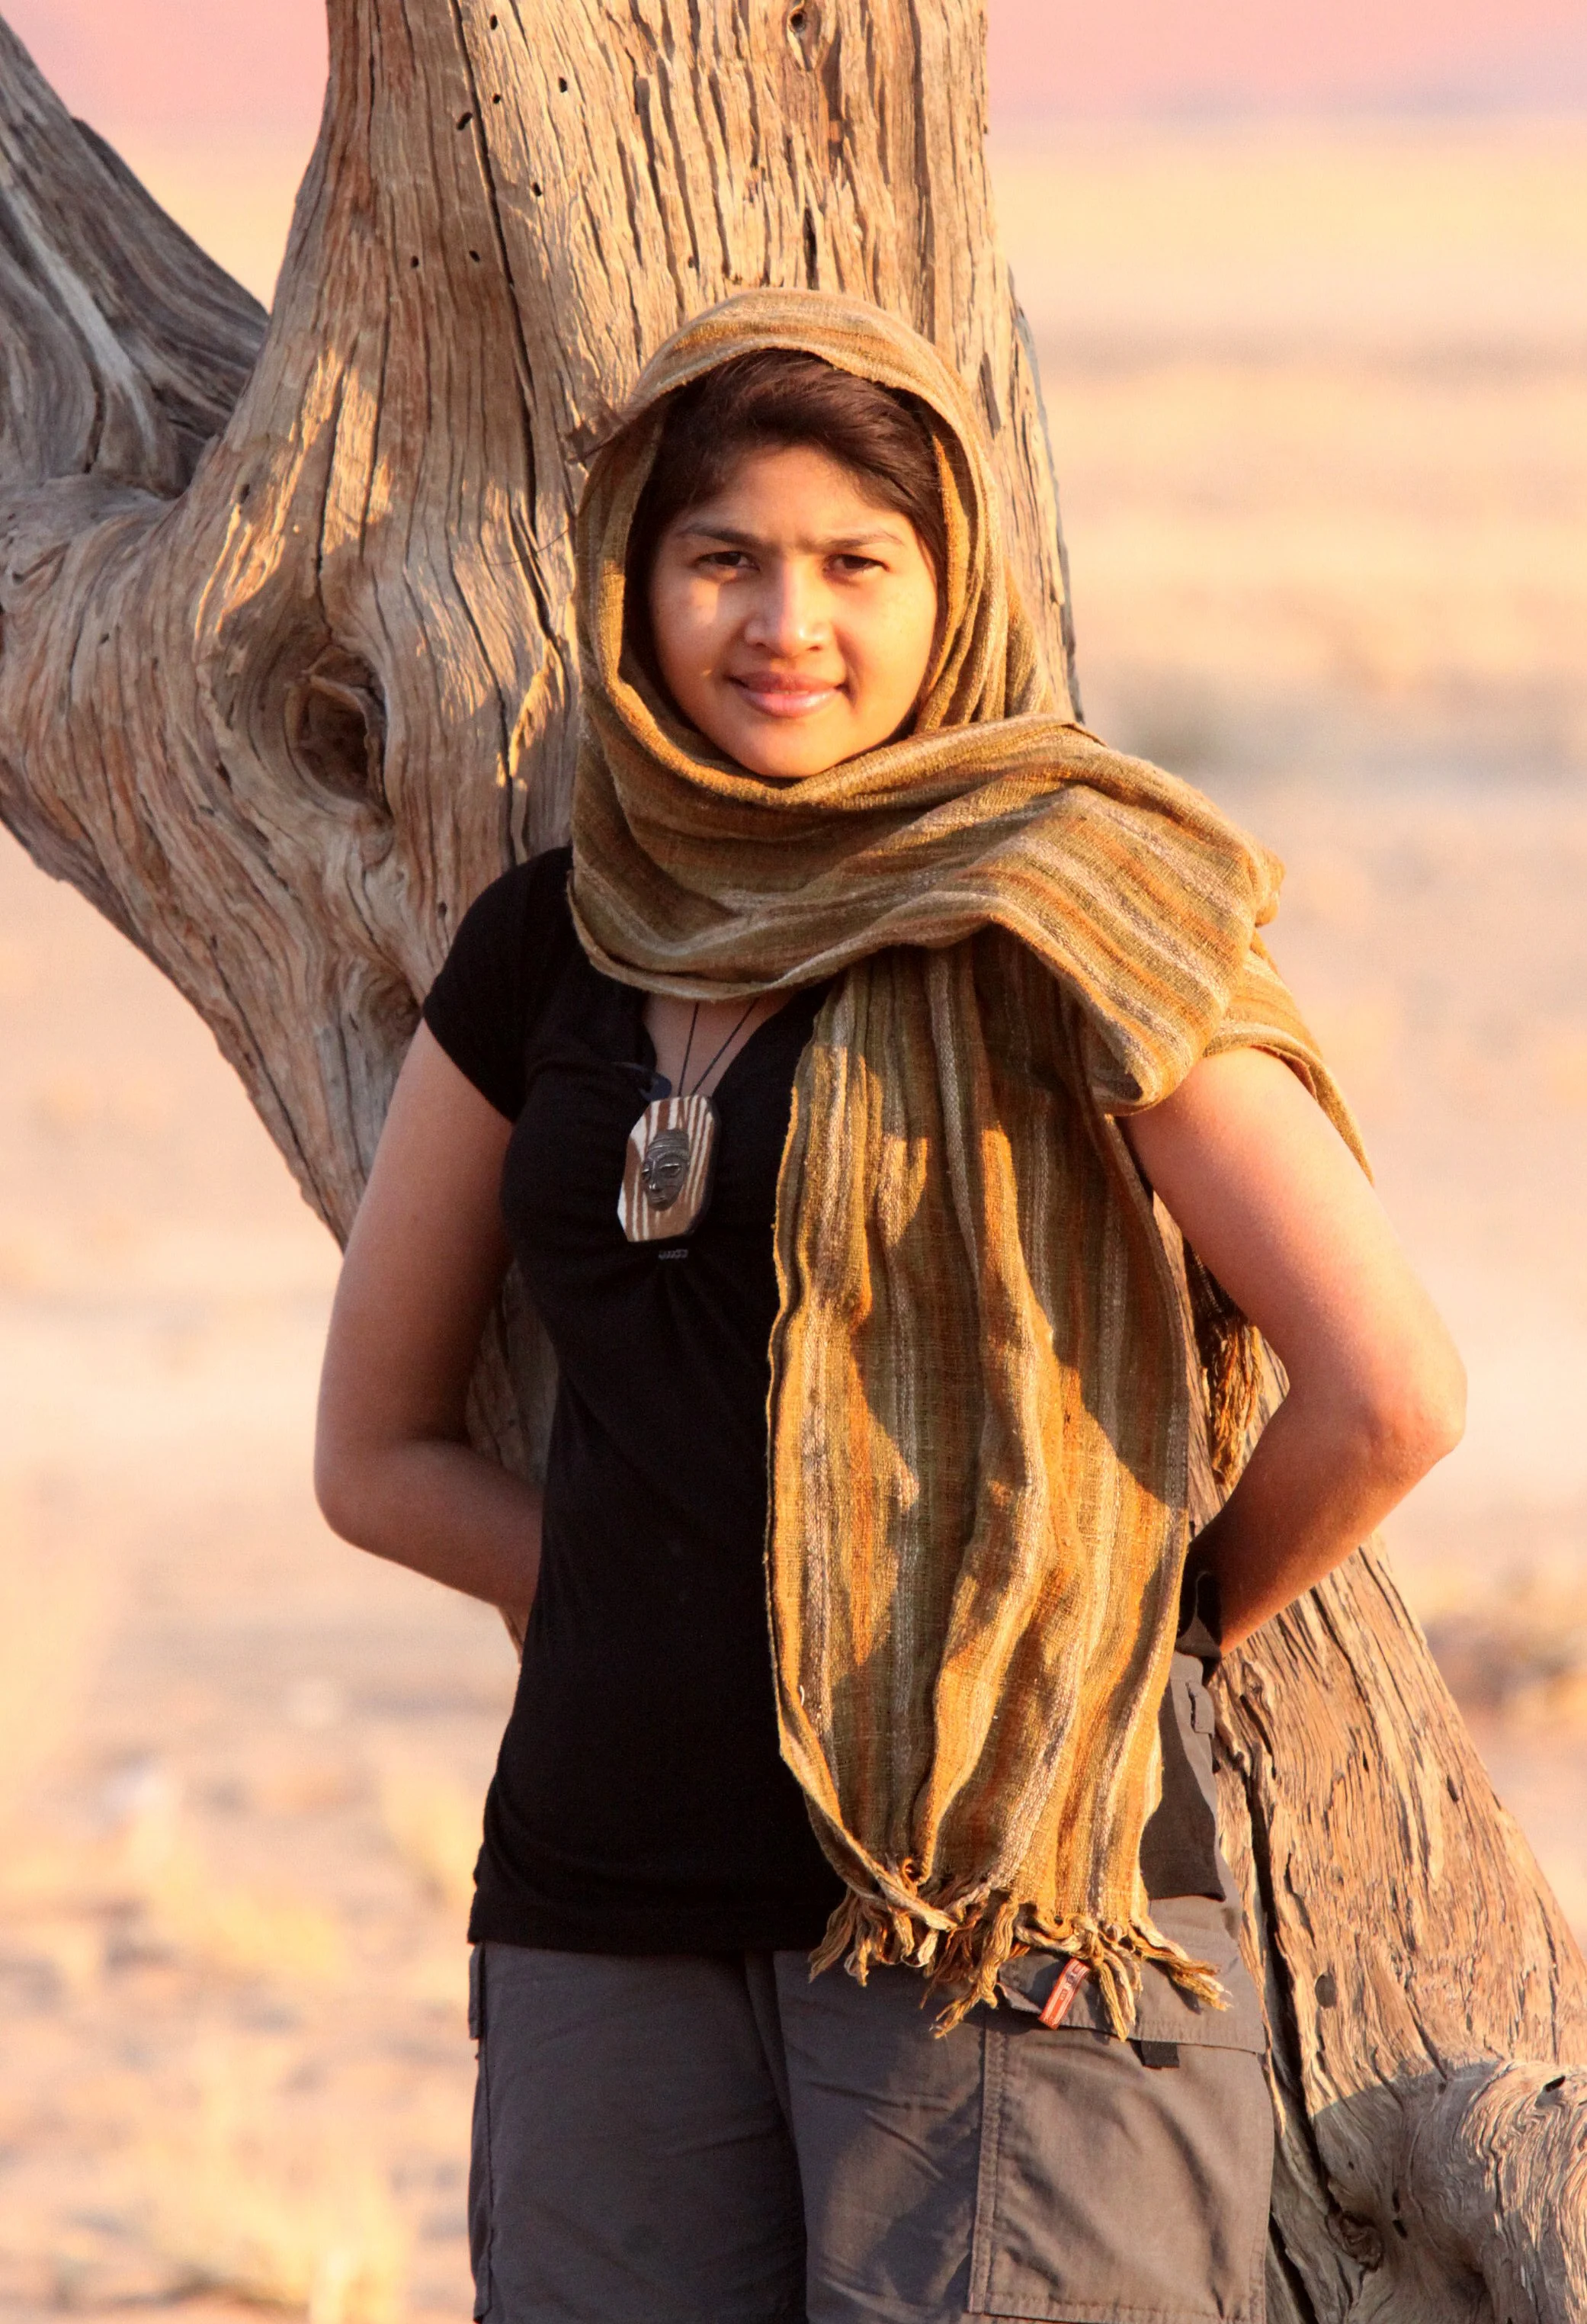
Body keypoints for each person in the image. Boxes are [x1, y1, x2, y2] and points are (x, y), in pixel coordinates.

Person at [314, 293, 1464, 2324]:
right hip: (607, 1906)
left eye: (857, 565)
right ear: (635, 584)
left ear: (951, 596)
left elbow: (1388, 1390)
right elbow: (376, 1460)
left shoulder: (1069, 921)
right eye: (723, 558)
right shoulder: (555, 944)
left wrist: (1118, 1630)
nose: (787, 625)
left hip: (998, 1910)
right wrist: (685, 1598)